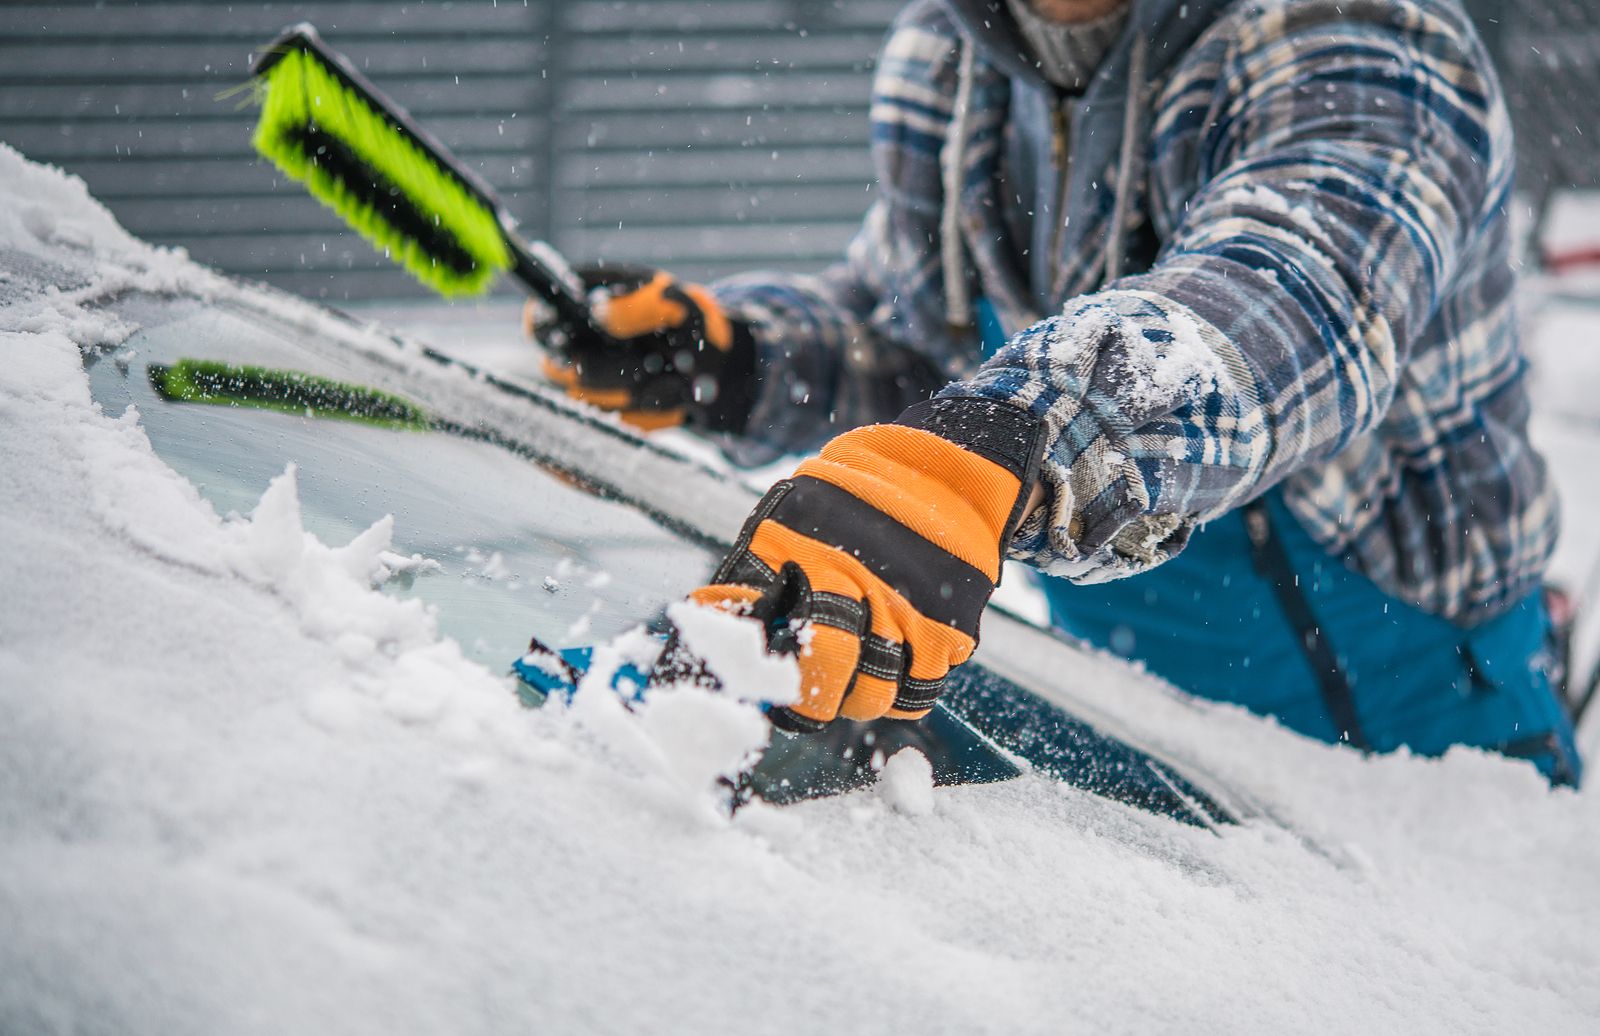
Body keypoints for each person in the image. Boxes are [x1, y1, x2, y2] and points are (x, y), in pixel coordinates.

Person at [529, 0, 1583, 784]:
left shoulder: (1361, 38)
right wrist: (740, 356)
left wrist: (1005, 441)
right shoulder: (948, 63)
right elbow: (911, 338)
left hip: (1422, 736)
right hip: (1127, 705)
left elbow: (1291, 292)